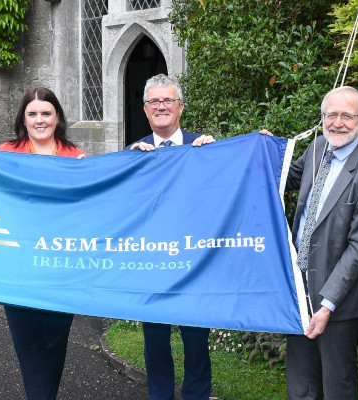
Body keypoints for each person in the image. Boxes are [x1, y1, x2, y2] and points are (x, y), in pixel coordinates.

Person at [281, 86, 358, 399]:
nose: (338, 123)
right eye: (332, 115)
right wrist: (266, 148)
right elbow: (283, 177)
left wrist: (327, 305)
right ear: (322, 118)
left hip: (338, 303)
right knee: (301, 384)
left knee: (337, 387)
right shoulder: (317, 148)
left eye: (347, 116)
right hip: (300, 290)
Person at [0, 87, 86, 400]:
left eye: (46, 113)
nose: (40, 119)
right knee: (29, 345)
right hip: (18, 269)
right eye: (32, 114)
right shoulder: (4, 153)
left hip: (61, 270)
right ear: (23, 118)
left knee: (56, 344)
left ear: (57, 117)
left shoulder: (77, 158)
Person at [126, 73, 214, 400]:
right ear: (146, 109)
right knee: (156, 346)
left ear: (180, 107)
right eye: (154, 101)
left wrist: (218, 156)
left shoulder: (203, 148)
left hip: (194, 267)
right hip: (153, 267)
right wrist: (132, 167)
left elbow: (223, 194)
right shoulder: (132, 154)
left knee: (196, 346)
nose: (161, 106)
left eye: (168, 101)